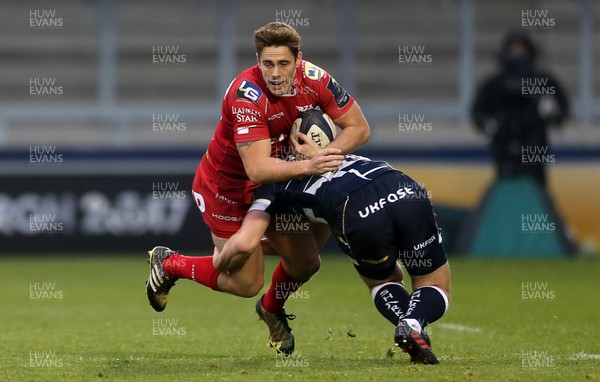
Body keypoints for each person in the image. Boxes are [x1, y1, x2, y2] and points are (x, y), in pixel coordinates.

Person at [145, 21, 370, 355]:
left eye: (283, 63)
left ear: (299, 60)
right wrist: (310, 165)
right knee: (246, 282)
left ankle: (271, 308)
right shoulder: (246, 95)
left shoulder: (316, 79)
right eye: (267, 64)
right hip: (229, 188)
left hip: (279, 179)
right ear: (257, 61)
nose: (275, 73)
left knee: (307, 261)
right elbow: (257, 168)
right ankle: (170, 264)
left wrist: (323, 154)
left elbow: (359, 129)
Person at [214, 153, 451, 365]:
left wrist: (221, 256)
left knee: (383, 281)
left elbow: (247, 242)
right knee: (432, 282)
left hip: (357, 210)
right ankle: (413, 324)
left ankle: (409, 325)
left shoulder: (267, 188)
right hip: (404, 188)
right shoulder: (327, 153)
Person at [471, 31, 569, 189]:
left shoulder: (543, 81)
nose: (517, 54)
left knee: (536, 189)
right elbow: (478, 113)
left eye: (521, 49)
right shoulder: (495, 83)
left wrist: (551, 113)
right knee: (505, 187)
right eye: (513, 49)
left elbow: (562, 112)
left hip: (534, 145)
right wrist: (489, 123)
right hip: (504, 146)